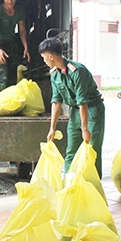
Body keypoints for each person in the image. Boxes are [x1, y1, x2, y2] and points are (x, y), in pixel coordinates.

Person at [39, 37, 105, 178]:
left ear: (51, 56)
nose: (44, 61)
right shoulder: (54, 74)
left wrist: (85, 128)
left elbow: (83, 102)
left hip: (92, 111)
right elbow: (56, 102)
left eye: (44, 58)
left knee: (92, 151)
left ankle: (93, 188)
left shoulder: (77, 71)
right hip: (75, 112)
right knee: (71, 152)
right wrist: (52, 128)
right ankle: (70, 186)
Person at [0, 0, 30, 94]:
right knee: (2, 75)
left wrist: (25, 47)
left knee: (13, 76)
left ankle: (10, 106)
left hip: (12, 42)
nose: (10, 1)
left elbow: (22, 30)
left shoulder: (20, 10)